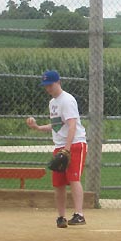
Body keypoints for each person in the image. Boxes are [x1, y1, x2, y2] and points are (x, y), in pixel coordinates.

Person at [25, 70, 88, 228]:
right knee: (58, 183)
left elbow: (72, 125)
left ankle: (79, 214)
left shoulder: (67, 100)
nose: (48, 89)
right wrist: (38, 127)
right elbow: (57, 125)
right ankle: (61, 217)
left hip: (74, 144)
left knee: (73, 178)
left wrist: (67, 149)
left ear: (58, 82)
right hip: (60, 145)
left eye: (50, 85)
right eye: (46, 86)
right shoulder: (52, 103)